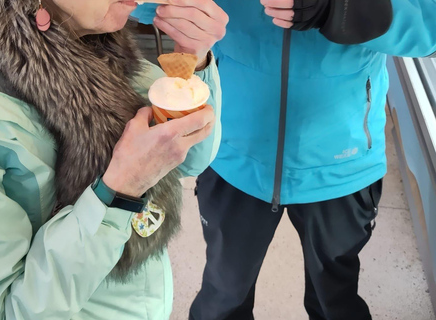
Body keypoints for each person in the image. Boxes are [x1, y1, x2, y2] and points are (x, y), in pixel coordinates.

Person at [133, 0, 436, 319]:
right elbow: (135, 6)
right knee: (224, 295)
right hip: (234, 153)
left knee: (335, 299)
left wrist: (344, 9)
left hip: (342, 162)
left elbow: (429, 25)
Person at [0, 0, 228, 319]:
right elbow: (0, 312)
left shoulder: (97, 37)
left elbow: (188, 161)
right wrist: (120, 190)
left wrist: (191, 61)